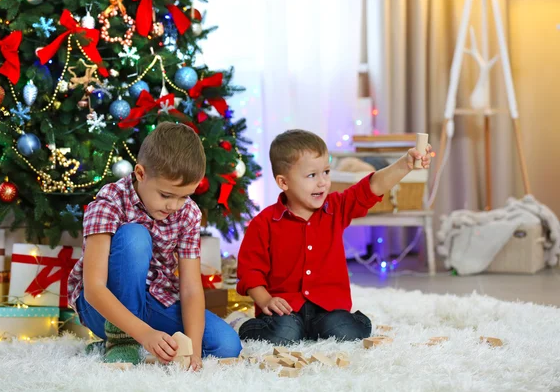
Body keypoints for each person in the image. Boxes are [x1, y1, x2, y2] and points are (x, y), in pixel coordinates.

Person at [66, 122, 242, 370]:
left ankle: (129, 340)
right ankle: (119, 340)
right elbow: (94, 289)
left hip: (153, 302)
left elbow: (191, 288)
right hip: (101, 306)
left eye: (184, 196)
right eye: (166, 195)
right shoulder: (109, 202)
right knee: (135, 237)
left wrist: (192, 350)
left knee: (226, 346)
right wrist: (145, 334)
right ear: (140, 173)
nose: (174, 206)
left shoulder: (187, 212)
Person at [232, 129, 432, 345]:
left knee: (345, 331)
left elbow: (371, 187)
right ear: (283, 182)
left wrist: (405, 163)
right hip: (286, 311)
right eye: (312, 175)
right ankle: (242, 324)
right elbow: (250, 271)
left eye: (326, 172)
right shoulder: (264, 223)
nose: (322, 182)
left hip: (327, 310)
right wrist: (265, 300)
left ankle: (346, 322)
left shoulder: (336, 208)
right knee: (284, 334)